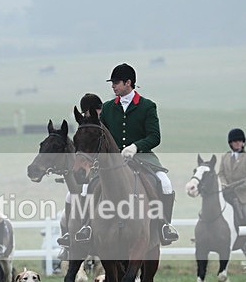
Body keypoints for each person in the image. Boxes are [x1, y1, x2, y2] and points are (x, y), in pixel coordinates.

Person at [84, 63, 179, 245]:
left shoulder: (147, 106)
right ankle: (87, 226)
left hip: (142, 157)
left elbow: (154, 137)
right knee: (90, 186)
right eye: (112, 82)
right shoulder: (108, 108)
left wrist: (135, 147)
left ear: (128, 83)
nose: (113, 86)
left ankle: (164, 226)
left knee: (166, 184)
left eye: (116, 82)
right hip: (113, 161)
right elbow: (102, 135)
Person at [56, 93, 102, 253]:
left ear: (98, 110)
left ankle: (163, 223)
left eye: (88, 113)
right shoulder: (83, 127)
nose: (86, 116)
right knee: (71, 195)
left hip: (105, 168)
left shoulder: (103, 123)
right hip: (89, 169)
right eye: (84, 114)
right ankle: (70, 233)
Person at [218, 128, 246, 225]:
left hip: (245, 194)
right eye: (235, 141)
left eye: (240, 141)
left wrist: (238, 187)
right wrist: (224, 184)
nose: (237, 143)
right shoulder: (225, 157)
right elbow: (221, 173)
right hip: (228, 192)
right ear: (230, 143)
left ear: (243, 142)